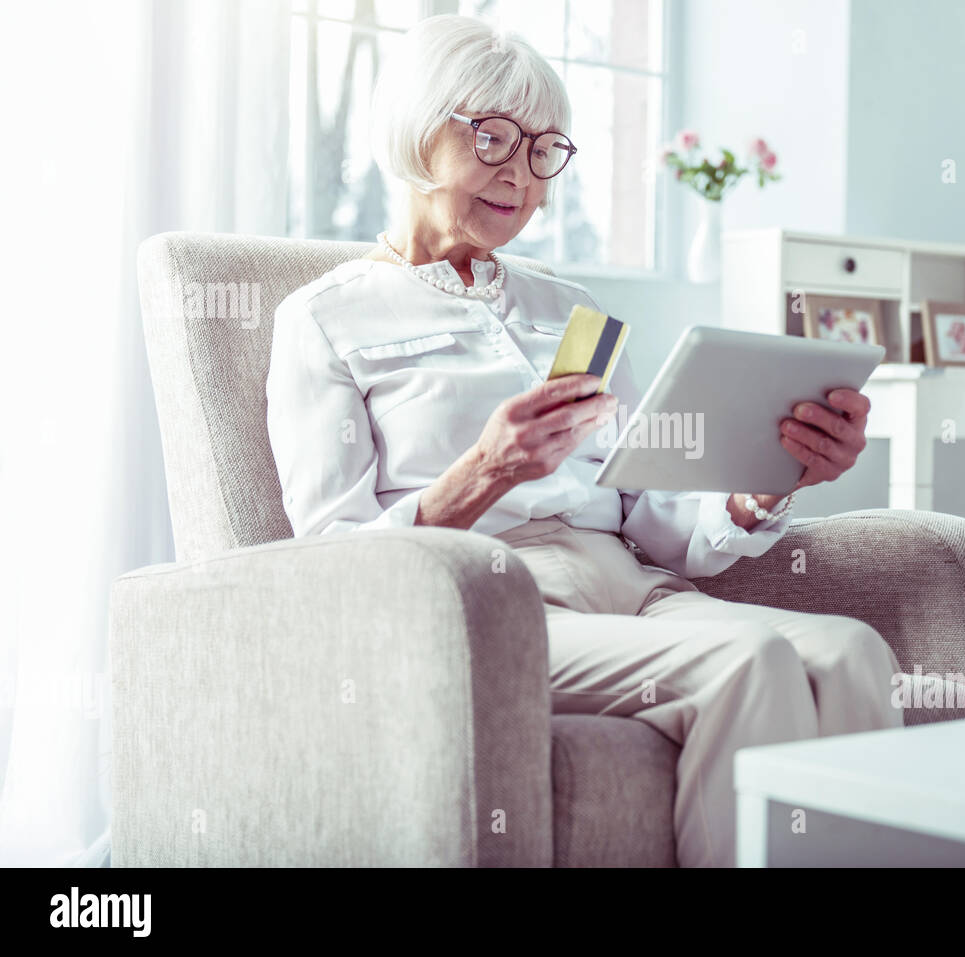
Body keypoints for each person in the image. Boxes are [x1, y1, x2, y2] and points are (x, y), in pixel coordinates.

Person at [265, 13, 902, 867]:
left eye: (542, 150)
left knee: (854, 652)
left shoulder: (575, 313)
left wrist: (763, 486)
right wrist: (485, 473)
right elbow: (330, 565)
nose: (521, 176)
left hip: (636, 588)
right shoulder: (324, 319)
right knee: (747, 659)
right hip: (495, 603)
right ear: (418, 133)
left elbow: (652, 509)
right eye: (492, 138)